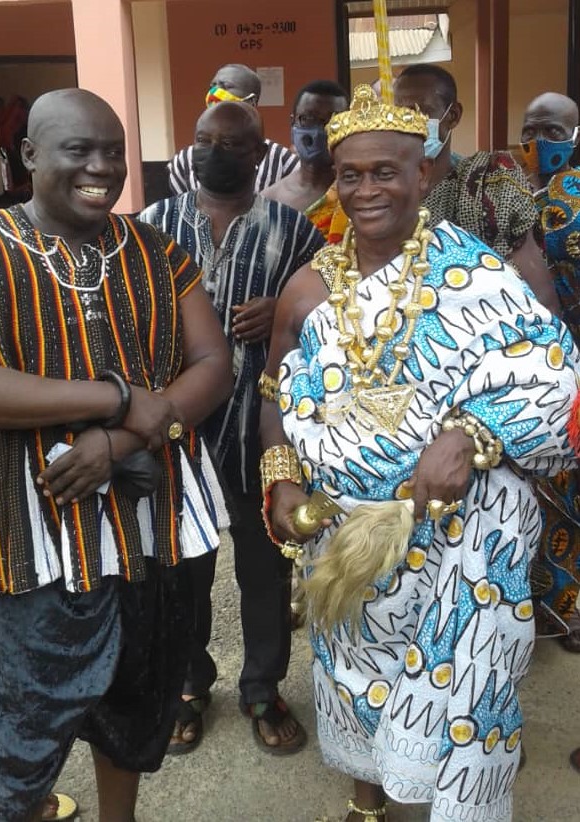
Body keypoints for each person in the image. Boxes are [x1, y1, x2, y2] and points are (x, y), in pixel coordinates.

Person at [259, 84, 578, 822]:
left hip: (459, 534)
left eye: (386, 172)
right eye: (351, 174)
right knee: (351, 673)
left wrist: (469, 434)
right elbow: (271, 393)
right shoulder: (306, 289)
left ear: (424, 173)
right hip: (347, 536)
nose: (367, 190)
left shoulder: (478, 275)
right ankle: (368, 799)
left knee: (462, 689)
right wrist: (280, 480)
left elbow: (555, 372)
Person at [0, 88, 232, 821]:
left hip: (149, 525)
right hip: (30, 535)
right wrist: (116, 399)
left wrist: (116, 441)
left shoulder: (155, 250)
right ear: (29, 156)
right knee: (20, 723)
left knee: (136, 702)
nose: (102, 167)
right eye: (79, 150)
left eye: (114, 152)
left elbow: (212, 364)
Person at [139, 100, 325, 756]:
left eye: (230, 142)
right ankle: (190, 686)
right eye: (202, 139)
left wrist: (282, 309)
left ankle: (262, 688)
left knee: (264, 568)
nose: (213, 151)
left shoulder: (295, 230)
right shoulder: (153, 224)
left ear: (259, 153)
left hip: (257, 428)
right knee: (183, 568)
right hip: (177, 434)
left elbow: (329, 305)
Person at [391, 63, 561, 316]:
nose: (411, 122)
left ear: (453, 115)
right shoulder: (382, 194)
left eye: (423, 111)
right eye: (401, 113)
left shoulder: (488, 186)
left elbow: (542, 301)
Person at [516, 94, 580, 658]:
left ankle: (571, 609)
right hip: (529, 370)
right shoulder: (512, 196)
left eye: (552, 130)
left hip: (573, 363)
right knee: (539, 489)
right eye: (531, 129)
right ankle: (541, 605)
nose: (538, 141)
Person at [168, 63, 298, 195]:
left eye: (226, 87)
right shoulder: (183, 161)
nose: (214, 92)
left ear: (251, 102)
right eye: (212, 86)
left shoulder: (283, 161)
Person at [263, 80, 348, 237]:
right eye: (308, 119)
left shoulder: (359, 193)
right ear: (292, 122)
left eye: (333, 121)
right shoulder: (270, 201)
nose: (320, 130)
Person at [520, 92, 579, 192]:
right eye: (529, 132)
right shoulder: (508, 191)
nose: (538, 140)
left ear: (576, 138)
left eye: (552, 131)